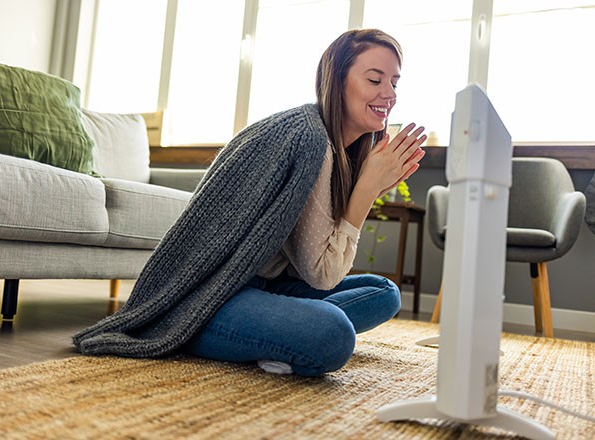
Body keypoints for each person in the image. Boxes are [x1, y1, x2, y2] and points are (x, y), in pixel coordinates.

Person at [73, 28, 426, 377]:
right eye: (375, 80)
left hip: (265, 285)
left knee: (384, 293)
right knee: (331, 335)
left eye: (394, 82)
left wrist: (365, 185)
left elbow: (315, 270)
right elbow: (323, 275)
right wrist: (366, 191)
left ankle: (269, 334)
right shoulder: (309, 139)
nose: (389, 94)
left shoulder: (334, 147)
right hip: (212, 294)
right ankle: (227, 333)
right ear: (336, 81)